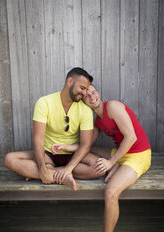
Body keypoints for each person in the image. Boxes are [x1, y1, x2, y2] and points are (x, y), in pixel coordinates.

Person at [52, 84, 151, 232]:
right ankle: (55, 168)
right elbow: (86, 145)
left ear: (98, 92)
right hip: (121, 153)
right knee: (87, 151)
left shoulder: (112, 106)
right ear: (83, 101)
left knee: (110, 193)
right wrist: (65, 147)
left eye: (93, 92)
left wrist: (111, 162)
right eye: (87, 96)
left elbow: (131, 137)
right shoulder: (97, 121)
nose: (92, 97)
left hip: (139, 155)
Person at [3, 68, 104, 191]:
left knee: (99, 170)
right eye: (82, 88)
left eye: (86, 90)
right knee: (9, 159)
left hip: (73, 156)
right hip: (48, 154)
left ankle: (51, 174)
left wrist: (69, 168)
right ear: (70, 81)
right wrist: (42, 169)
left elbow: (85, 145)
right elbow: (38, 139)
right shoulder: (44, 102)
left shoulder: (85, 110)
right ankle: (58, 175)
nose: (84, 93)